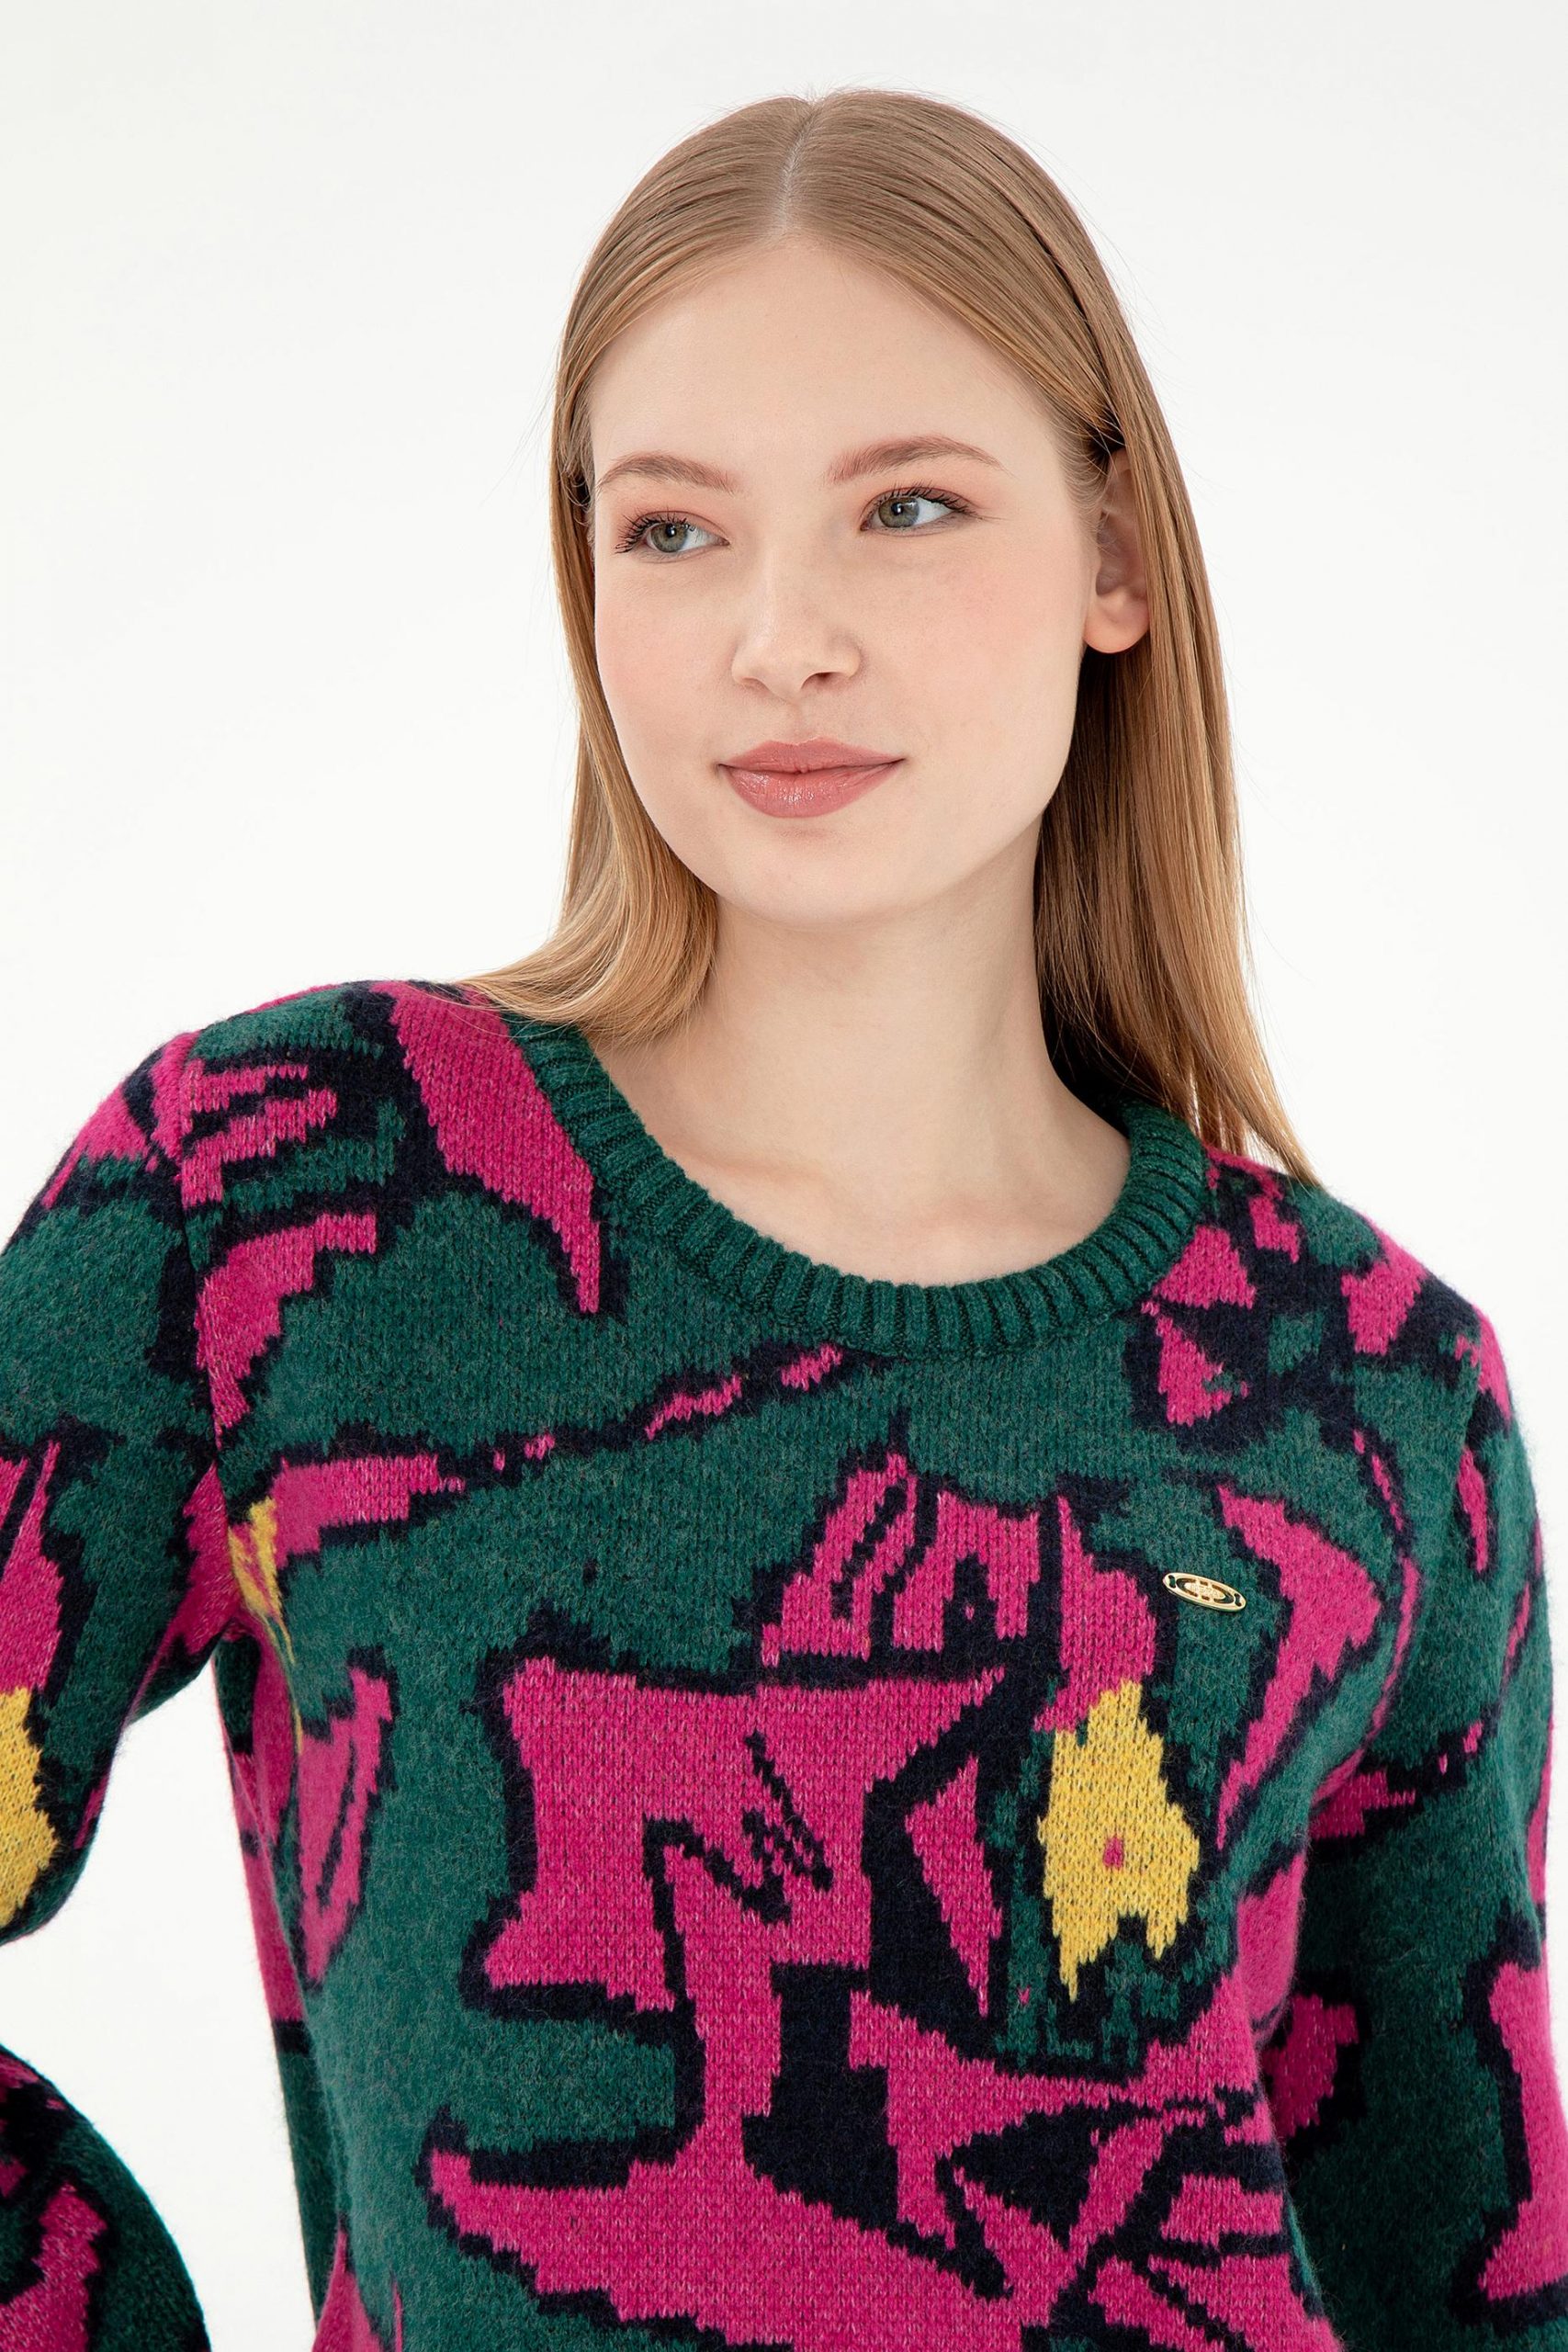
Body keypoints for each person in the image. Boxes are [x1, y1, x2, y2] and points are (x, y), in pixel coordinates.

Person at [1, 84, 1562, 2352]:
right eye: (673, 529)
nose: (779, 636)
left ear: (1114, 556)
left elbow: (1459, 2257)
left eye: (904, 507)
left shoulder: (1368, 1391)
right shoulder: (279, 1196)